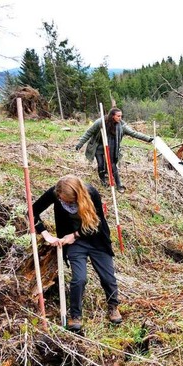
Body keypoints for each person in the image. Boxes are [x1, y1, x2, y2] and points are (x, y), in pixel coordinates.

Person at [31, 175, 122, 331]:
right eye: (64, 200)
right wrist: (45, 234)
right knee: (79, 279)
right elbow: (31, 212)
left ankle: (113, 305)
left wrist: (74, 235)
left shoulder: (91, 193)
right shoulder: (54, 193)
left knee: (108, 278)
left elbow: (96, 223)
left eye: (70, 201)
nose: (66, 203)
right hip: (74, 242)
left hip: (96, 239)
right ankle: (76, 315)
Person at [75, 108, 153, 193]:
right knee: (100, 164)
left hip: (112, 147)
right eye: (118, 116)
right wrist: (80, 144)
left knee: (112, 165)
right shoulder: (101, 122)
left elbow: (134, 133)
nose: (120, 118)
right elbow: (88, 133)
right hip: (98, 146)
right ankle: (103, 180)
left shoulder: (122, 126)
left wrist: (148, 139)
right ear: (112, 116)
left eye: (121, 116)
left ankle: (119, 184)